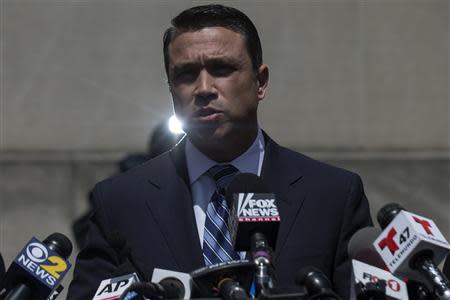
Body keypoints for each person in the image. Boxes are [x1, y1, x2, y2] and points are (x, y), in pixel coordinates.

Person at [67, 4, 372, 299]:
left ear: (260, 82)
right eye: (186, 74)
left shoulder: (332, 195)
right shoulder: (120, 201)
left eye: (221, 68)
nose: (203, 88)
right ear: (172, 87)